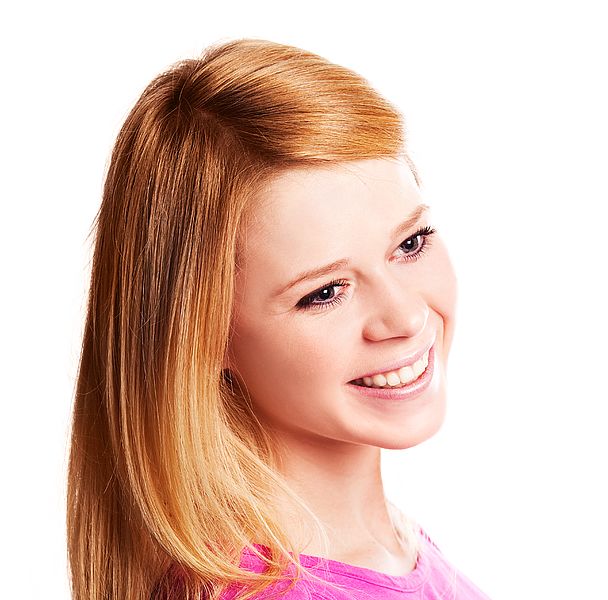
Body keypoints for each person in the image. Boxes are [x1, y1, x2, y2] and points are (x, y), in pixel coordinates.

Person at [66, 39, 490, 600]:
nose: (406, 314)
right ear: (206, 337)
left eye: (410, 243)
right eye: (326, 292)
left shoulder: (383, 545)